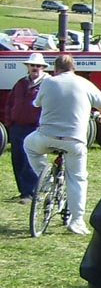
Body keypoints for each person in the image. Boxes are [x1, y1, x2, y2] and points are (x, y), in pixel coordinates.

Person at [24, 54, 101, 236]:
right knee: (78, 178)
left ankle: (46, 177)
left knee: (28, 145)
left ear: (55, 69)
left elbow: (37, 103)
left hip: (46, 137)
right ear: (74, 68)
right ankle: (77, 220)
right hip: (74, 141)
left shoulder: (48, 82)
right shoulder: (85, 84)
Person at [4, 53, 49, 203]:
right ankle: (23, 191)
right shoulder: (21, 84)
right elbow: (10, 103)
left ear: (43, 68)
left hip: (35, 128)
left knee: (31, 159)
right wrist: (9, 122)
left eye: (38, 66)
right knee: (18, 159)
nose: (35, 68)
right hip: (17, 127)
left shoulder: (47, 84)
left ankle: (32, 192)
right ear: (28, 67)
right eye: (32, 65)